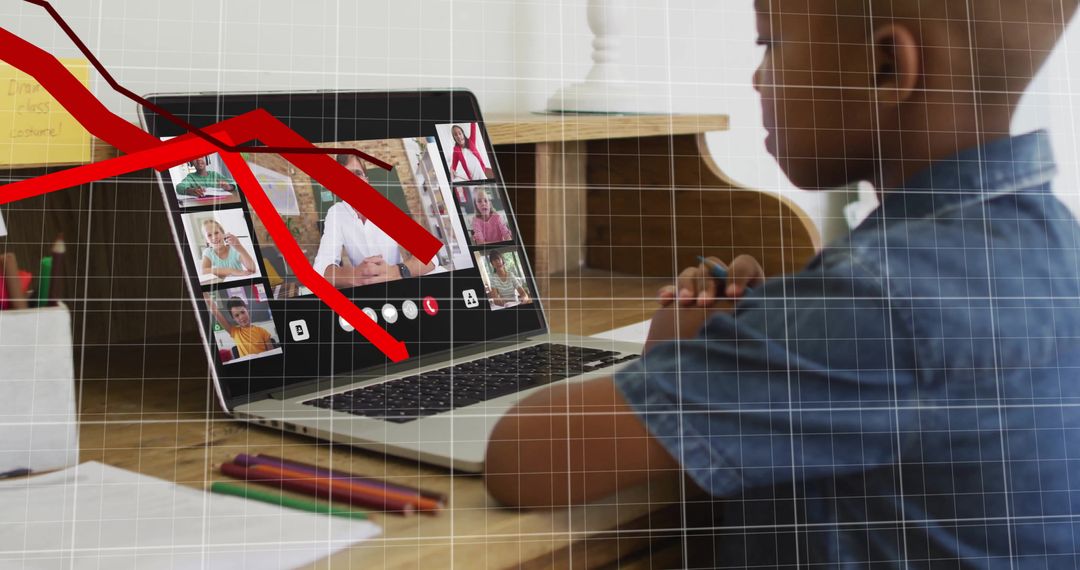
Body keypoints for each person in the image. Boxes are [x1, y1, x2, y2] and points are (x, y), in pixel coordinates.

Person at [484, 0, 1080, 566]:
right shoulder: (1053, 242)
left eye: (770, 43)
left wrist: (734, 348)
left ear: (886, 66)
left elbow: (524, 457)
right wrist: (759, 337)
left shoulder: (879, 297)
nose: (757, 78)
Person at [313, 153, 436, 287]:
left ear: (366, 180)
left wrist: (395, 272)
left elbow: (431, 258)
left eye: (357, 174)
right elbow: (320, 269)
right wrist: (354, 275)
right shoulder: (336, 213)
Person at [204, 294, 276, 357]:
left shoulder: (263, 331)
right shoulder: (234, 332)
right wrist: (204, 293)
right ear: (233, 318)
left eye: (242, 312)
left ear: (247, 311)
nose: (241, 317)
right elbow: (215, 311)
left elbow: (272, 353)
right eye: (237, 315)